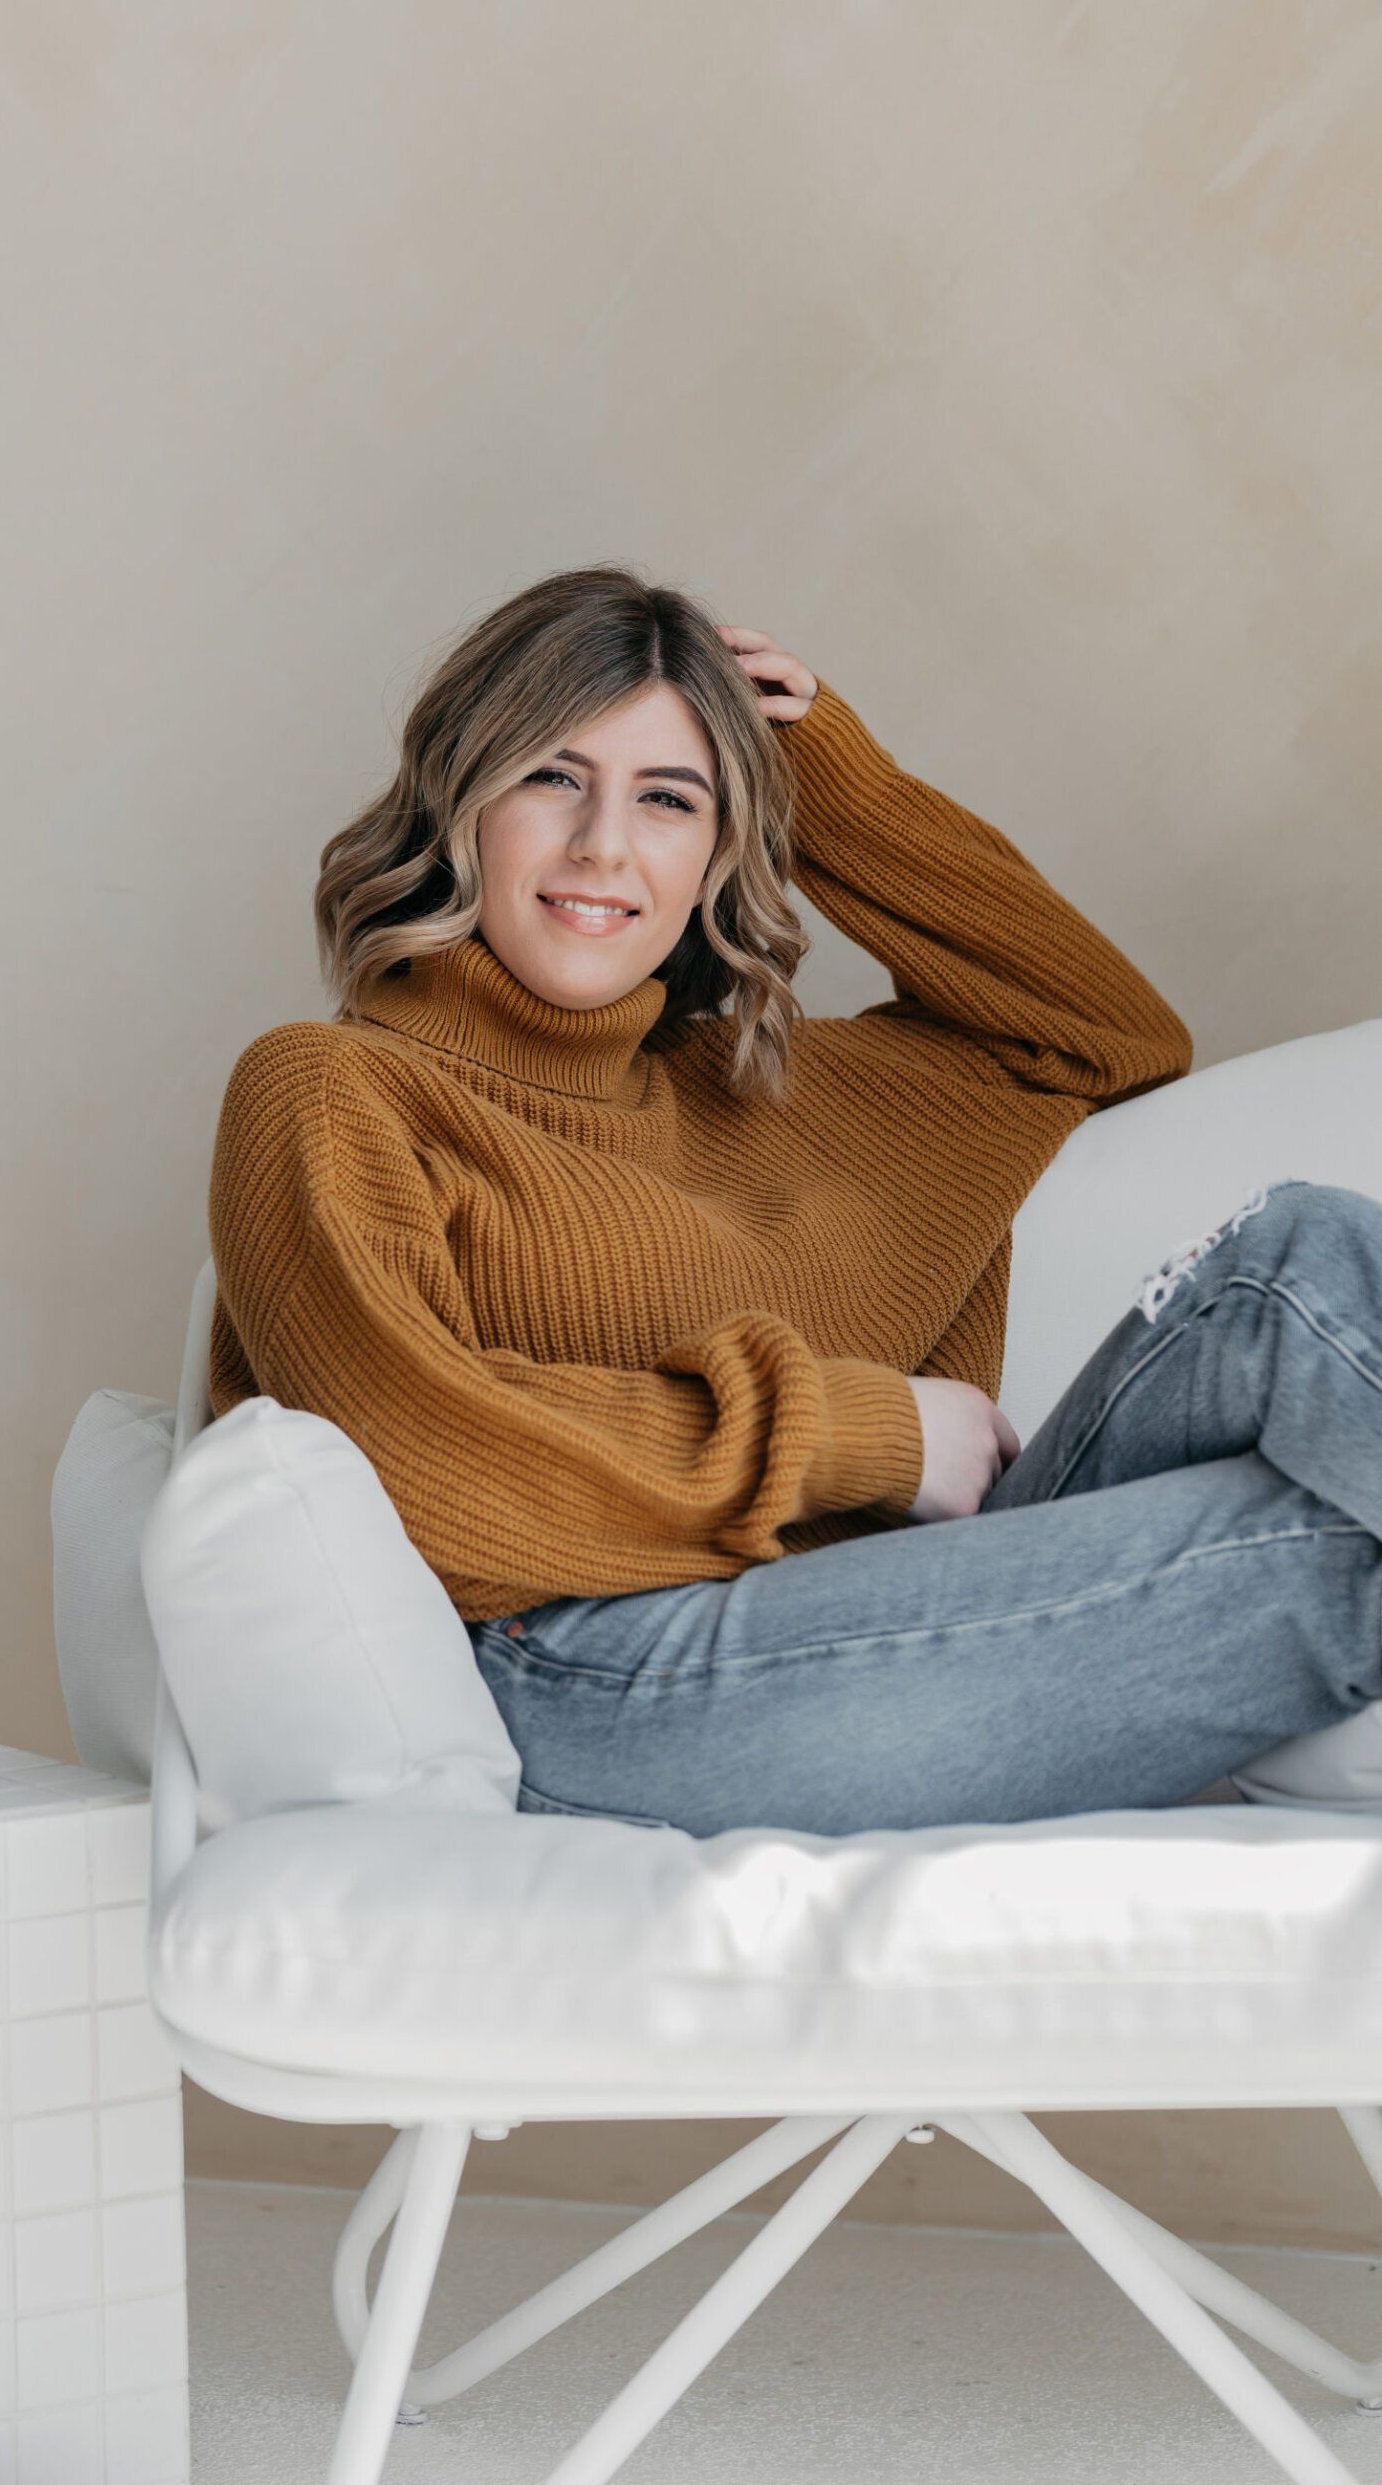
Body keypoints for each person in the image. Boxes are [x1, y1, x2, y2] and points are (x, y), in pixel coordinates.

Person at [206, 563, 1382, 1836]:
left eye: (670, 798)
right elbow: (419, 1457)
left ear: (720, 849)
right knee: (1340, 1559)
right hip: (584, 1677)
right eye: (553, 775)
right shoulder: (333, 1090)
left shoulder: (767, 1092)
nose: (603, 844)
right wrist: (878, 1434)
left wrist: (828, 782)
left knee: (1299, 1260)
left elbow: (1099, 1032)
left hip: (888, 1608)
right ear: (461, 802)